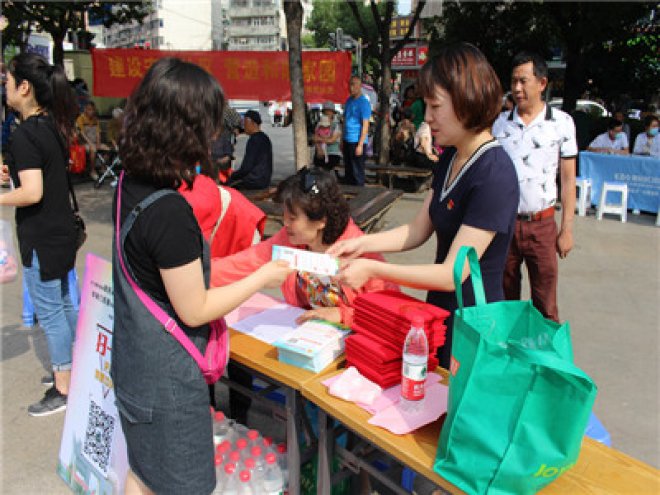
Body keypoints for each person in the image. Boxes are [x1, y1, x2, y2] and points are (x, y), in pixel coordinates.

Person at [111, 57, 291, 495]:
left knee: (142, 473)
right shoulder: (169, 211)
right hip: (166, 388)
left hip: (133, 365)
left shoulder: (130, 183)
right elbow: (195, 309)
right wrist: (263, 274)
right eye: (209, 124)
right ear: (187, 129)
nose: (214, 135)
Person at [328, 43, 519, 369]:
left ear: (467, 99)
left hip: (474, 323)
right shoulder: (451, 158)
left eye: (435, 106)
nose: (427, 118)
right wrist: (360, 244)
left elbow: (452, 274)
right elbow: (417, 229)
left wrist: (373, 269)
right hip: (440, 311)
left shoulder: (494, 173)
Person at [211, 167, 399, 423]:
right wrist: (193, 276)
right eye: (284, 216)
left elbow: (390, 315)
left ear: (321, 220)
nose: (284, 223)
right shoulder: (290, 240)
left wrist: (342, 314)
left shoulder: (361, 253)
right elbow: (245, 263)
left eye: (292, 218)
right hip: (306, 346)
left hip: (353, 362)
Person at [0, 52, 79, 416]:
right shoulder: (51, 127)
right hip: (61, 233)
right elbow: (41, 175)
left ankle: (63, 388)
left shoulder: (25, 134)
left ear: (24, 87)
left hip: (41, 236)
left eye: (7, 81)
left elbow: (32, 192)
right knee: (63, 304)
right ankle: (72, 370)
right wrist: (12, 174)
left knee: (50, 312)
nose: (4, 87)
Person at [492, 51, 578, 323]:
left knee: (546, 303)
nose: (517, 88)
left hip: (542, 226)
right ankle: (510, 349)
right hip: (505, 226)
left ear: (542, 83)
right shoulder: (500, 125)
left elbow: (568, 180)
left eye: (523, 81)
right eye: (513, 81)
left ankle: (548, 351)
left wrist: (566, 230)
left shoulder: (561, 123)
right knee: (505, 301)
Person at [226, 109, 272, 190]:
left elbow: (246, 168)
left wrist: (233, 175)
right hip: (264, 179)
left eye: (246, 124)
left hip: (254, 181)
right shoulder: (264, 138)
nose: (244, 127)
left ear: (253, 124)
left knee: (227, 184)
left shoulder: (254, 140)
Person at [342, 75, 371, 186]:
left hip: (357, 141)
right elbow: (345, 120)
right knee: (348, 171)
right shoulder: (349, 101)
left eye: (354, 85)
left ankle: (360, 193)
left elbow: (365, 125)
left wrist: (360, 144)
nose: (351, 87)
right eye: (350, 84)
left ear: (359, 86)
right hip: (347, 139)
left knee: (357, 172)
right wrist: (342, 139)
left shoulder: (364, 102)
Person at [76, 101, 108, 180]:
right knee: (93, 149)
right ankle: (92, 170)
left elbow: (98, 133)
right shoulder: (80, 119)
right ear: (85, 110)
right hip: (84, 143)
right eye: (89, 109)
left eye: (93, 110)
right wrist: (90, 143)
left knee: (106, 148)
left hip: (94, 142)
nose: (91, 111)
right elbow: (82, 134)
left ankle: (103, 167)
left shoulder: (95, 119)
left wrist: (98, 143)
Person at [312, 103, 342, 170]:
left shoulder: (336, 125)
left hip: (333, 152)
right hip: (320, 151)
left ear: (333, 113)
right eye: (325, 112)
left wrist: (319, 139)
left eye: (329, 111)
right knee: (318, 166)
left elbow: (332, 140)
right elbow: (315, 138)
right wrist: (319, 149)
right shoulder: (319, 124)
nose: (327, 113)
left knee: (330, 165)